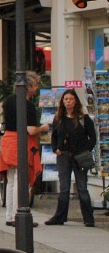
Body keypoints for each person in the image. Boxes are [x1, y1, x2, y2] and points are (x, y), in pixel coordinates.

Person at [0, 71, 48, 227]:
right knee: (22, 179)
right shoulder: (28, 106)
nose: (37, 87)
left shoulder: (8, 101)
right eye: (35, 84)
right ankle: (19, 215)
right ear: (29, 86)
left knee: (12, 180)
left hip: (7, 140)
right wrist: (44, 128)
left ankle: (10, 215)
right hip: (20, 141)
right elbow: (31, 130)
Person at [46, 88, 97, 227]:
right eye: (66, 99)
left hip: (80, 156)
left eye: (71, 99)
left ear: (76, 101)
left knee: (82, 187)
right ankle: (60, 217)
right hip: (64, 156)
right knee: (64, 188)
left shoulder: (83, 118)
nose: (68, 102)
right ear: (62, 101)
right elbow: (54, 136)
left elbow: (92, 137)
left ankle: (88, 218)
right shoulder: (59, 119)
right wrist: (55, 148)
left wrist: (86, 150)